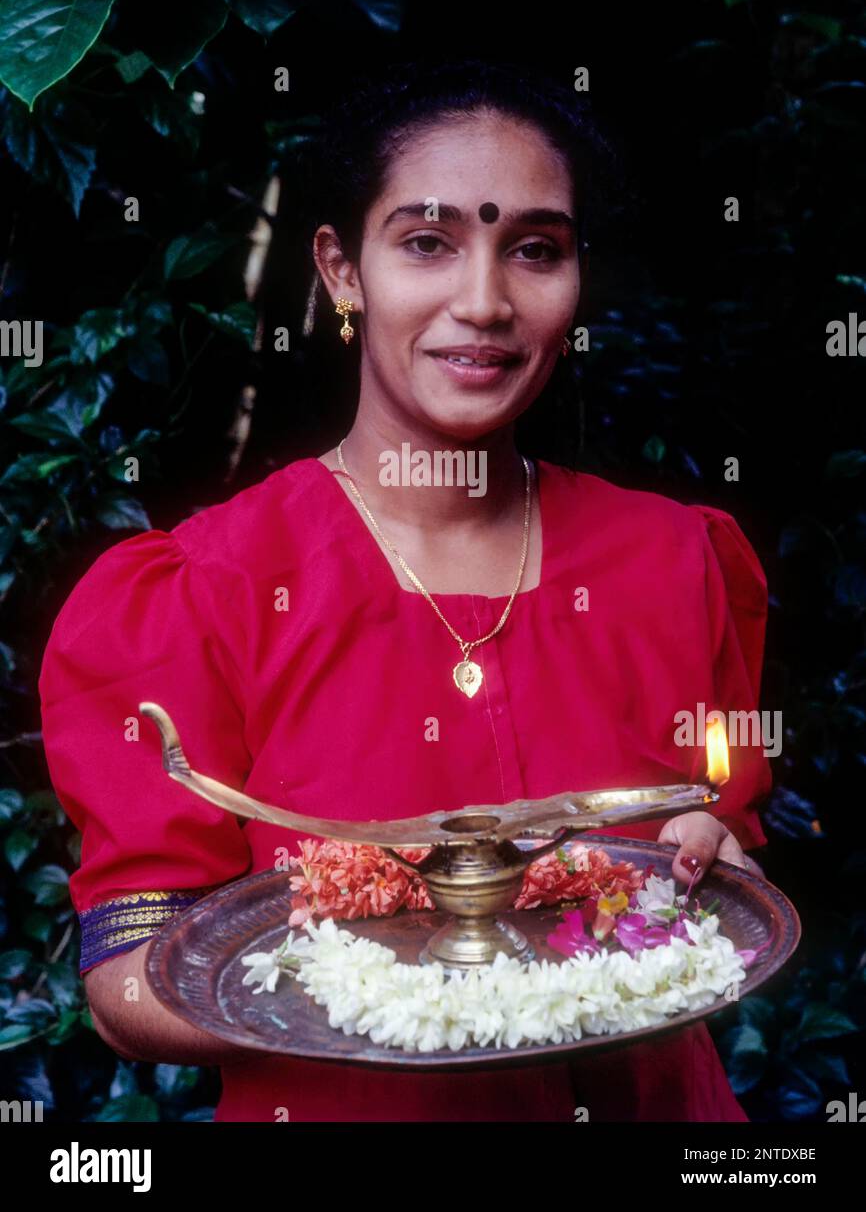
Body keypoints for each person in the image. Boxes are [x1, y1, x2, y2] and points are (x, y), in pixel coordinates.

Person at [39, 60, 772, 1122]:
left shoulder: (676, 559)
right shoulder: (201, 592)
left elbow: (716, 851)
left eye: (533, 249)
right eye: (426, 242)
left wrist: (713, 865)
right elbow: (127, 979)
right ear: (341, 270)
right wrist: (419, 994)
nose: (482, 301)